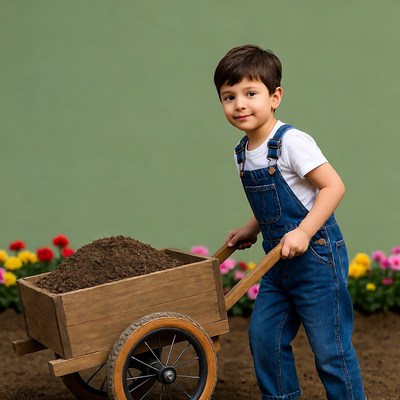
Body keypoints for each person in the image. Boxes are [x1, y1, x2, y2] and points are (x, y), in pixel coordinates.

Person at [213, 44, 366, 400]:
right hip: (277, 265)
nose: (240, 104)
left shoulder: (291, 142)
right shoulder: (243, 152)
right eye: (228, 96)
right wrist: (253, 226)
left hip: (316, 260)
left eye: (251, 93)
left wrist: (304, 231)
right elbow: (280, 201)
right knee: (264, 338)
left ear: (275, 96)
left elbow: (333, 186)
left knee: (331, 350)